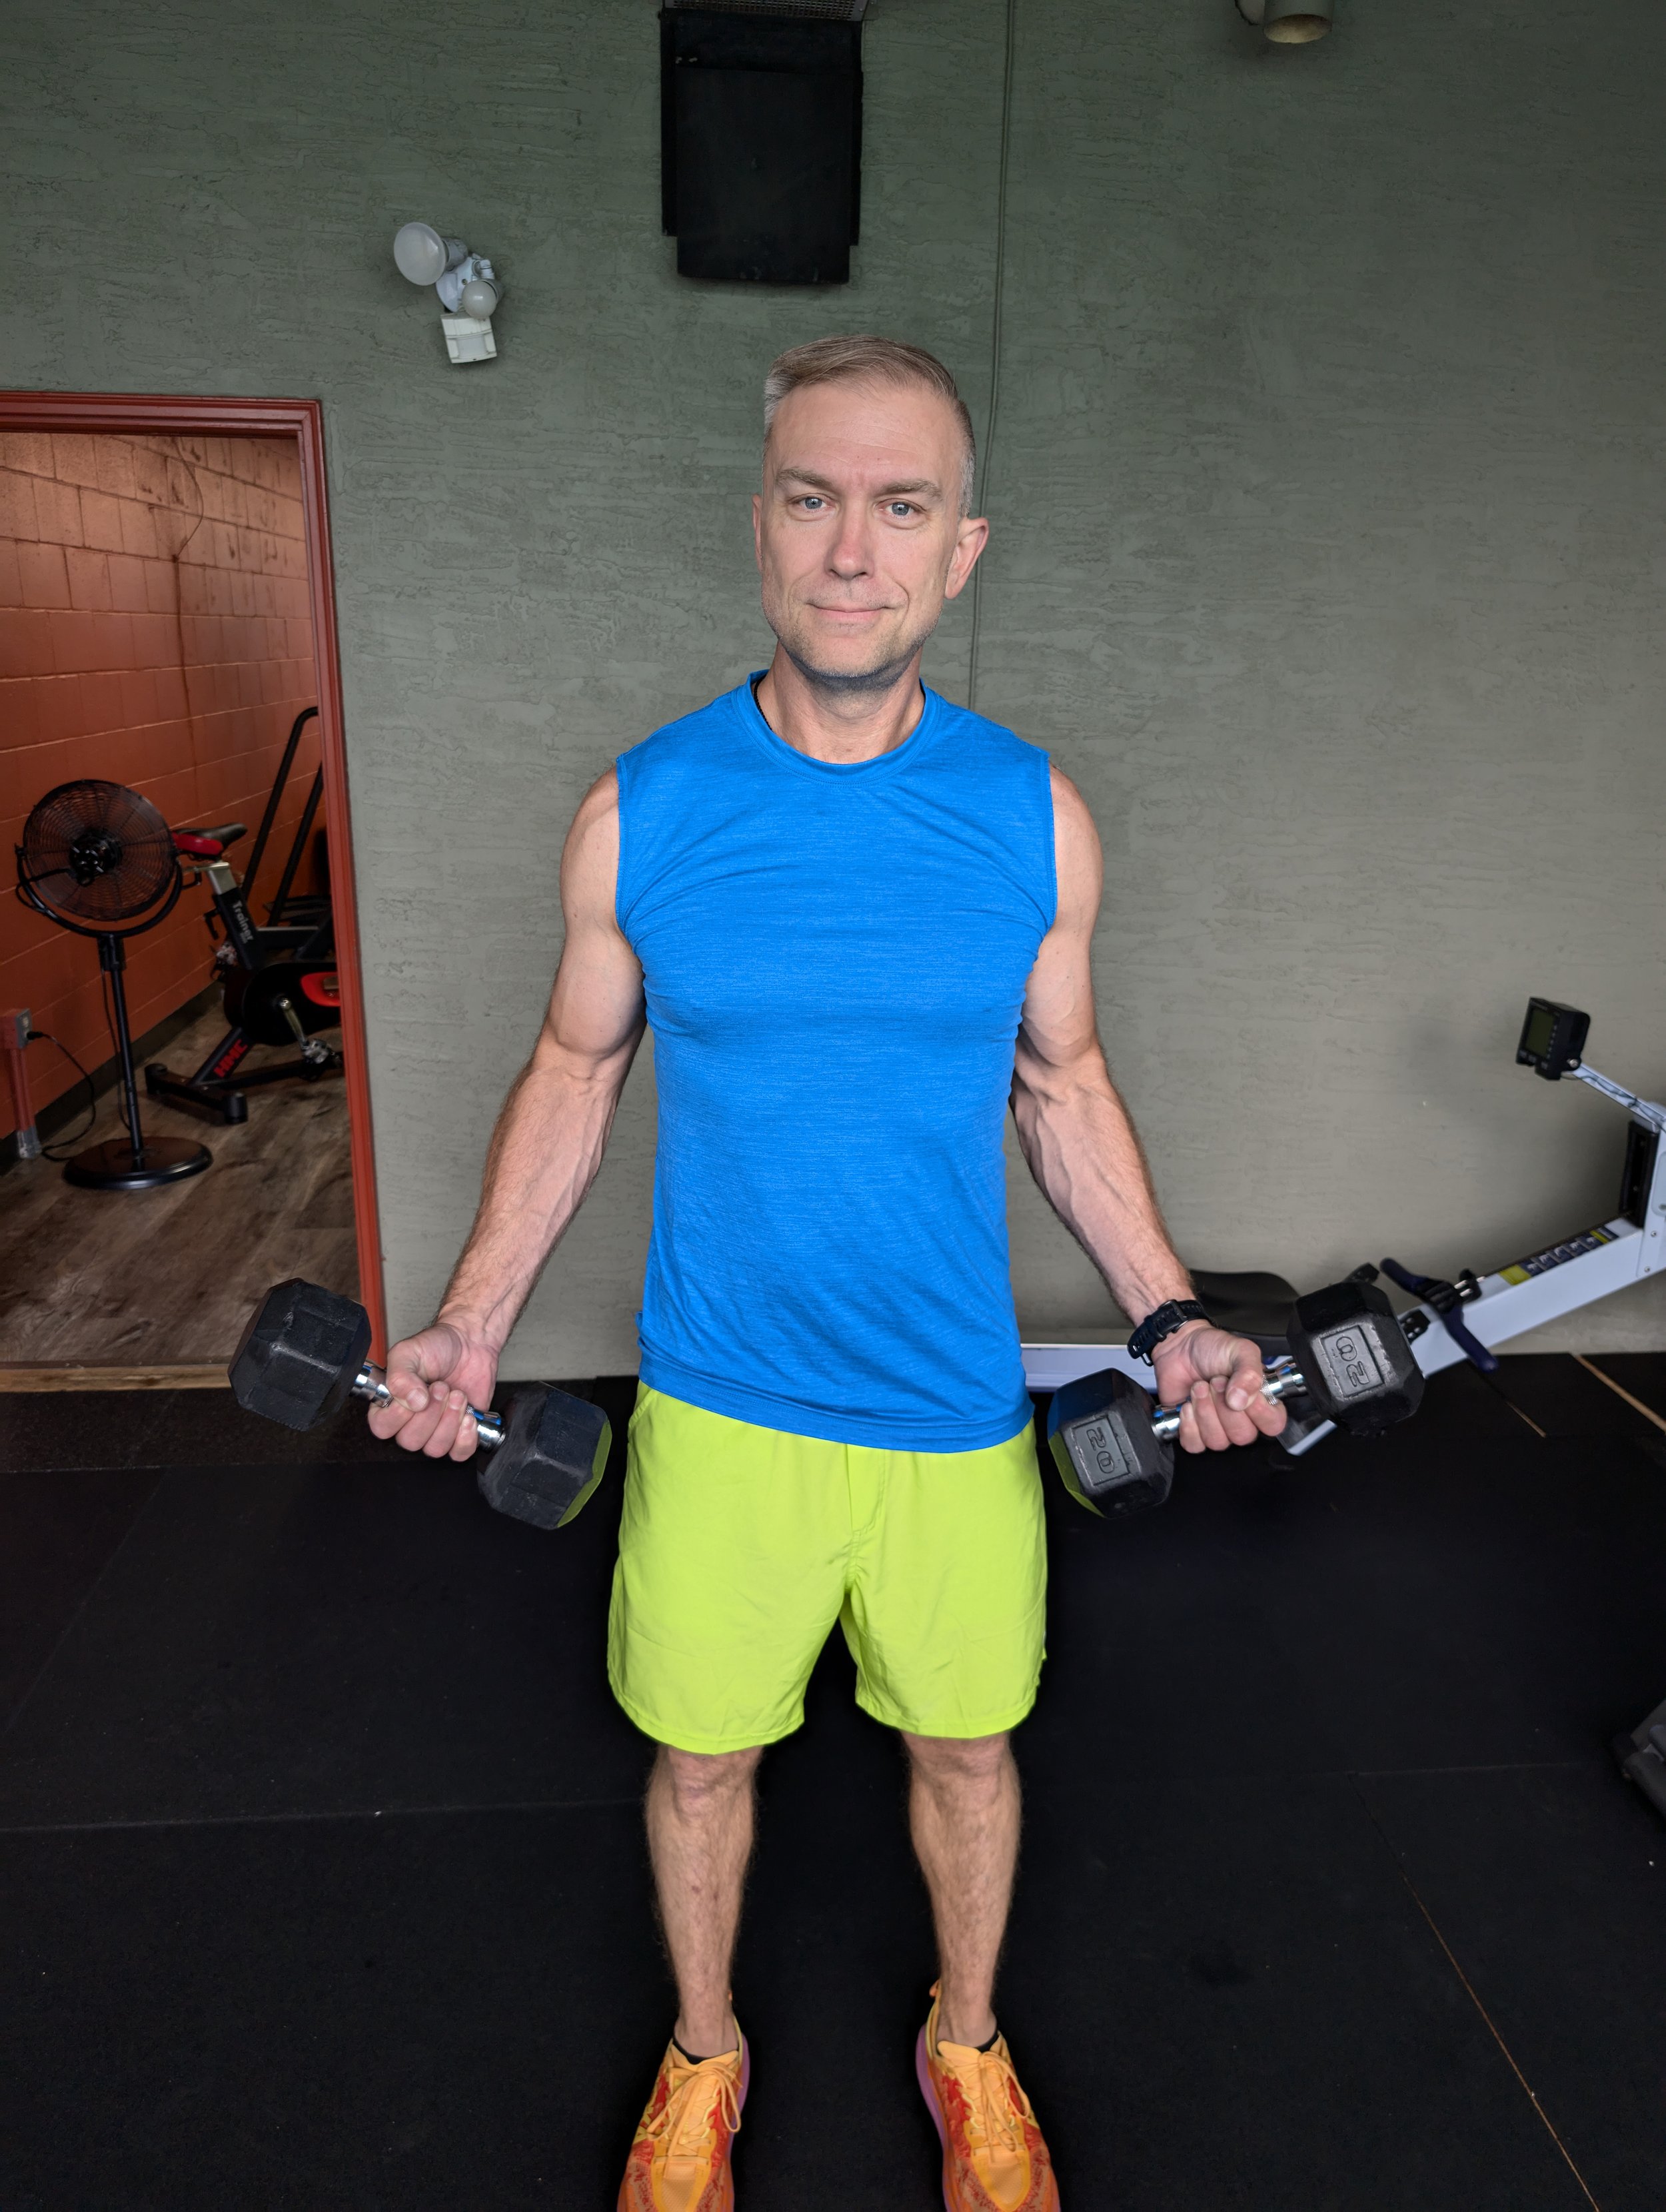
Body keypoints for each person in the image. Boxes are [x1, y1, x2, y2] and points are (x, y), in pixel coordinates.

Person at [369, 334, 1287, 2212]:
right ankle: (703, 2054)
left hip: (950, 1415)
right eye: (811, 497)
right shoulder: (646, 809)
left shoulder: (1032, 815)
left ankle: (968, 2043)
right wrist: (467, 1319)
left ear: (962, 549)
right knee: (704, 1767)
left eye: (899, 505)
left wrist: (1170, 1312)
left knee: (966, 1747)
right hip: (719, 1403)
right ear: (760, 528)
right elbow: (576, 1066)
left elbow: (1063, 1084)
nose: (849, 548)